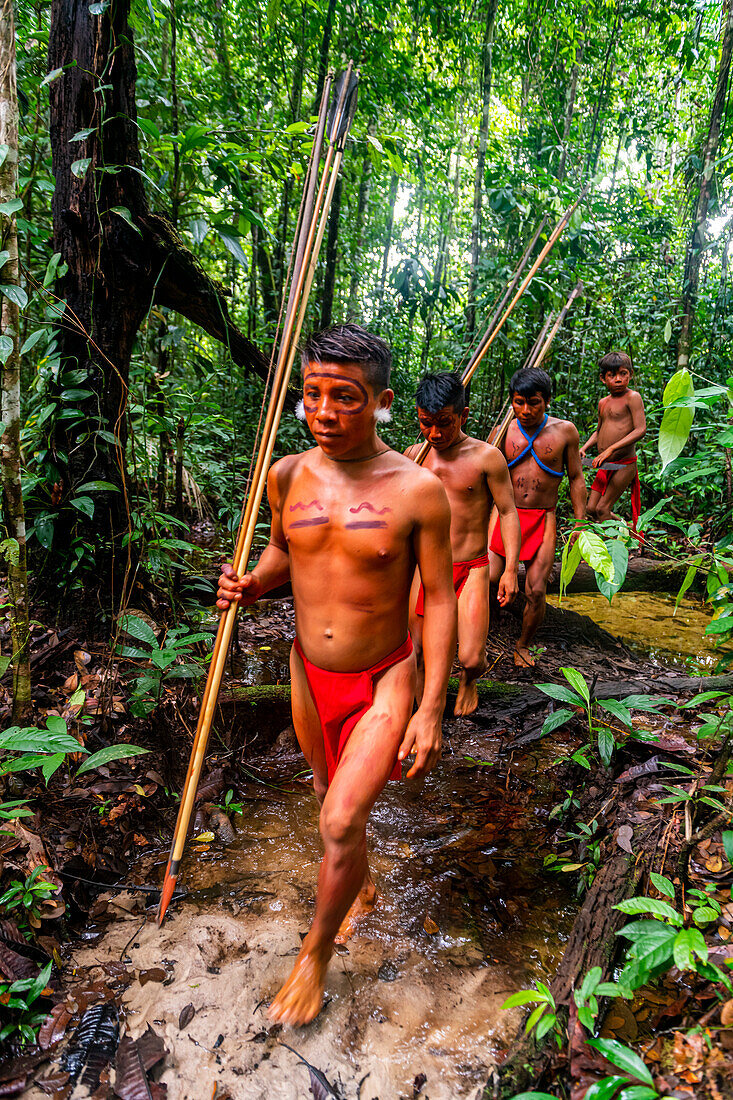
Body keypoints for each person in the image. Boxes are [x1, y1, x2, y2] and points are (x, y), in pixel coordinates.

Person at [216, 324, 456, 1028]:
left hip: (385, 676)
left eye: (345, 398)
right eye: (313, 396)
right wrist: (249, 584)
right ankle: (363, 879)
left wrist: (430, 708)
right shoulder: (285, 474)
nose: (324, 412)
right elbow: (280, 555)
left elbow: (438, 599)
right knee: (328, 799)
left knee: (341, 816)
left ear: (381, 402)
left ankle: (315, 954)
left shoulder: (418, 492)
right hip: (305, 669)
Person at [405, 372, 521, 716]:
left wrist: (511, 569)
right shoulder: (413, 456)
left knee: (471, 656)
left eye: (445, 423)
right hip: (423, 567)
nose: (435, 433)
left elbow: (509, 511)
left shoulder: (486, 457)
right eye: (427, 423)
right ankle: (426, 711)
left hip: (471, 566)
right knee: (419, 650)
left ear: (464, 416)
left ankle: (469, 681)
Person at [489, 366, 586, 668]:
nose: (526, 410)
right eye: (519, 402)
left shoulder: (565, 431)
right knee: (488, 577)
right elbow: (483, 475)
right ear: (512, 401)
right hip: (505, 513)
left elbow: (576, 478)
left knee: (536, 589)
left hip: (543, 518)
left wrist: (581, 523)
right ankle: (484, 628)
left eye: (534, 402)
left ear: (547, 401)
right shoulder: (503, 430)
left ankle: (523, 645)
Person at [580, 351, 646, 529]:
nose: (618, 379)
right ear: (603, 378)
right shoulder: (603, 402)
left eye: (623, 374)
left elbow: (641, 430)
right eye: (612, 375)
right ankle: (628, 530)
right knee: (592, 508)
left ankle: (610, 551)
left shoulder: (633, 397)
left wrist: (611, 449)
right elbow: (599, 431)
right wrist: (584, 447)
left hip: (625, 464)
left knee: (602, 509)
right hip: (606, 465)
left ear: (630, 375)